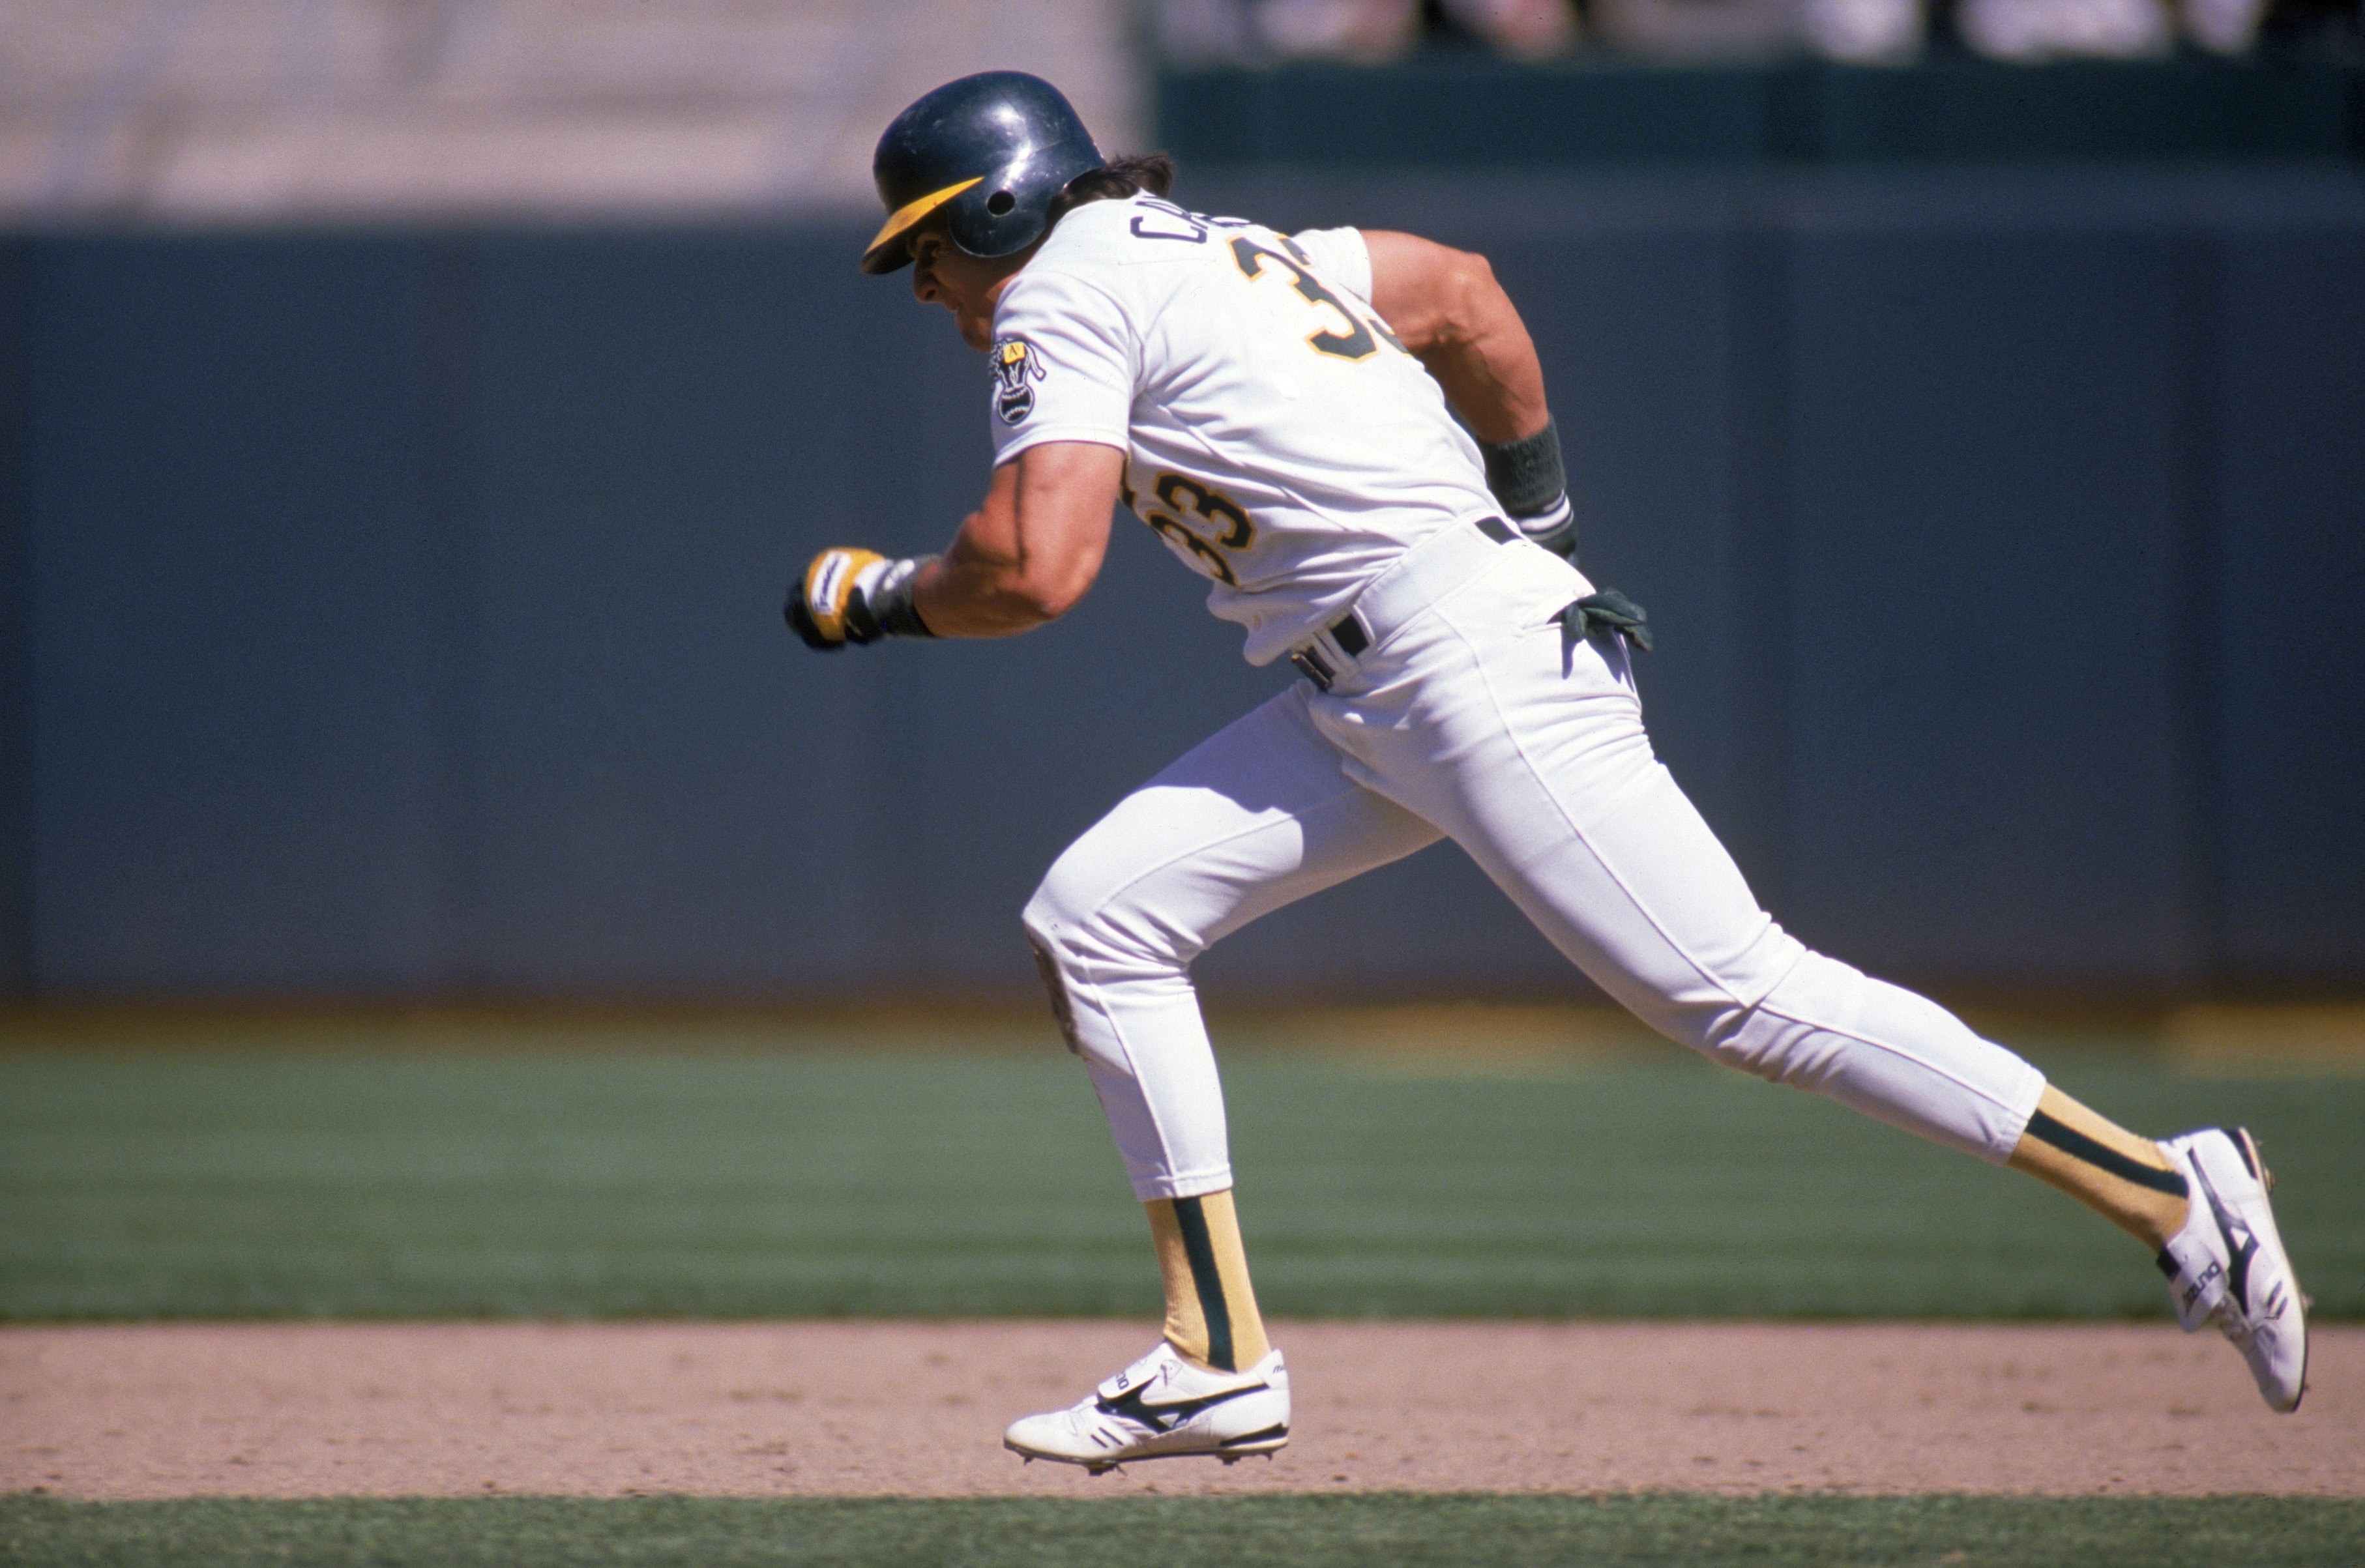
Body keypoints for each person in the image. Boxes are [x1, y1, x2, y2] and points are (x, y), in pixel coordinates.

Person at [787, 70, 2308, 1472]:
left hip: (1451, 661)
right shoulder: (1234, 244)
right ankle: (1217, 1355)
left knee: (1740, 996)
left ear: (998, 205)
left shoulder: (1059, 286)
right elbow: (1462, 296)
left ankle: (2174, 1191)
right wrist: (1543, 521)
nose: (923, 282)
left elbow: (1036, 569)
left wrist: (879, 595)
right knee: (1098, 918)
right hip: (1382, 677)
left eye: (926, 245)